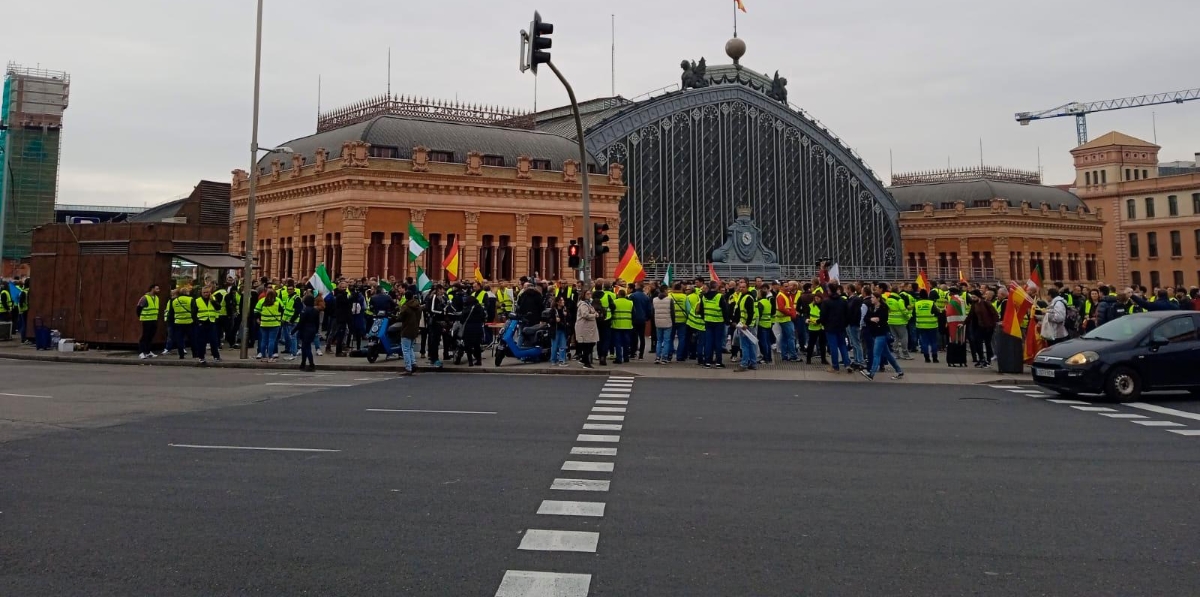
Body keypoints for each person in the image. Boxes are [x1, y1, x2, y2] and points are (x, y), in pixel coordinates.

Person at [861, 293, 904, 381]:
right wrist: (871, 319)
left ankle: (871, 373)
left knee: (876, 353)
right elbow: (866, 318)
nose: (871, 299)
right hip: (875, 333)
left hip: (881, 333)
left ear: (878, 299)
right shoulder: (872, 308)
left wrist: (872, 319)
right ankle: (899, 371)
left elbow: (881, 320)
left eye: (873, 297)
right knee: (887, 354)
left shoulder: (883, 309)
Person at [820, 284, 851, 373]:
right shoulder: (843, 301)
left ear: (829, 290)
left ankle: (835, 366)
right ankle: (847, 364)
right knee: (842, 345)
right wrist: (845, 323)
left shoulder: (826, 302)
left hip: (830, 327)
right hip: (841, 326)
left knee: (833, 346)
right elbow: (847, 314)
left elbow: (823, 315)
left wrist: (824, 323)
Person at [194, 286, 221, 366]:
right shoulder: (197, 301)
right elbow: (194, 313)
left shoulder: (213, 299)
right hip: (201, 323)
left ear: (210, 293)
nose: (206, 294)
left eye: (207, 292)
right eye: (204, 292)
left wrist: (213, 301)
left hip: (211, 322)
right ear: (201, 293)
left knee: (214, 341)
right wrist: (197, 322)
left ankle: (216, 356)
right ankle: (201, 357)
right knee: (201, 342)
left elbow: (218, 308)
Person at [397, 290, 423, 376]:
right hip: (415, 329)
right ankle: (413, 363)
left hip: (406, 329)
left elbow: (400, 317)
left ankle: (408, 368)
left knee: (405, 349)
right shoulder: (418, 306)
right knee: (410, 347)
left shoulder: (406, 307)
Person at [734, 287, 759, 372]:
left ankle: (744, 364)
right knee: (751, 345)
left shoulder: (746, 297)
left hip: (745, 325)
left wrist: (746, 324)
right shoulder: (748, 297)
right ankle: (753, 363)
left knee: (745, 345)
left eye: (743, 286)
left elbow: (750, 312)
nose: (741, 288)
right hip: (747, 324)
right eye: (740, 285)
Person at [912, 289, 940, 363]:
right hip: (932, 325)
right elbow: (937, 313)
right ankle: (935, 358)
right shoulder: (931, 303)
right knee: (933, 342)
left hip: (921, 326)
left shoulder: (917, 304)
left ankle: (926, 358)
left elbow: (913, 314)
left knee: (924, 342)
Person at [459, 293, 487, 367]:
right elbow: (483, 317)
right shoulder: (479, 308)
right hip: (478, 327)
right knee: (477, 345)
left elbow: (462, 320)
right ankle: (478, 360)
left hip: (468, 328)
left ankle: (470, 362)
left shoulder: (466, 309)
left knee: (468, 346)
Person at [574, 289, 600, 369]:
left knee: (590, 344)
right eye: (587, 294)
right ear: (584, 295)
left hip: (589, 328)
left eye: (590, 294)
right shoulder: (583, 304)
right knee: (587, 345)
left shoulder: (589, 304)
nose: (589, 295)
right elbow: (585, 314)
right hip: (585, 327)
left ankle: (583, 359)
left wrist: (595, 313)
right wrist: (594, 315)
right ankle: (586, 362)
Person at [169, 287, 196, 360]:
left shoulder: (174, 301)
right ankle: (194, 355)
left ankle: (181, 355)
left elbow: (171, 313)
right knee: (192, 339)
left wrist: (171, 322)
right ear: (187, 293)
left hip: (178, 323)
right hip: (189, 322)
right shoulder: (191, 299)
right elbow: (194, 311)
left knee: (180, 339)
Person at [136, 284, 161, 359]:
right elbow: (138, 308)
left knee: (151, 336)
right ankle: (141, 352)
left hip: (154, 319)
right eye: (157, 288)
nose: (158, 290)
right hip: (146, 320)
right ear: (152, 289)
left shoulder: (156, 298)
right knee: (145, 336)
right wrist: (140, 316)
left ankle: (147, 351)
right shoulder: (145, 298)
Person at [257, 290, 282, 363]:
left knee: (263, 340)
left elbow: (256, 311)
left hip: (264, 323)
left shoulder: (262, 301)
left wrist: (258, 319)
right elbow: (282, 310)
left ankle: (263, 356)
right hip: (274, 323)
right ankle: (270, 357)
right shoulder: (278, 302)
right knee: (272, 340)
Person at [296, 294, 320, 371]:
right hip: (312, 329)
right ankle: (303, 364)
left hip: (305, 330)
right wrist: (316, 330)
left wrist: (294, 331)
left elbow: (301, 322)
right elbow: (317, 322)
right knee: (305, 347)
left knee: (306, 348)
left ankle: (311, 364)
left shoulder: (304, 310)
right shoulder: (315, 310)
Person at [804, 292, 828, 365]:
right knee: (811, 344)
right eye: (815, 298)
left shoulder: (824, 306)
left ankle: (823, 359)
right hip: (813, 327)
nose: (816, 299)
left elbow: (824, 317)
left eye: (818, 298)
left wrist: (818, 321)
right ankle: (808, 359)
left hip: (821, 327)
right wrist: (807, 319)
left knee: (822, 345)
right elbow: (807, 314)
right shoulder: (810, 306)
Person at [652, 286, 673, 364]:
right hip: (668, 322)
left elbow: (653, 311)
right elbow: (672, 312)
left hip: (658, 322)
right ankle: (664, 357)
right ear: (664, 291)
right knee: (666, 341)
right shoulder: (669, 300)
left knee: (659, 340)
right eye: (667, 290)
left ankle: (657, 357)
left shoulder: (654, 300)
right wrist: (672, 322)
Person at [630, 283, 651, 360]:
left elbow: (630, 307)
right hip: (642, 319)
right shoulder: (646, 297)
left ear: (637, 287)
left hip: (634, 318)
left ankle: (633, 353)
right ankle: (641, 355)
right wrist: (647, 317)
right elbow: (649, 309)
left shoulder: (632, 296)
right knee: (642, 337)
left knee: (633, 336)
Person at [549, 295, 571, 367]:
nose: (563, 302)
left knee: (563, 346)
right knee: (554, 346)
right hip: (555, 330)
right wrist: (554, 320)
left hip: (563, 330)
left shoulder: (565, 309)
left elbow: (568, 319)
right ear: (558, 302)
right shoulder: (553, 310)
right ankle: (553, 360)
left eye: (563, 300)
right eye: (561, 300)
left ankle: (562, 360)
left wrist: (566, 315)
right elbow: (549, 320)